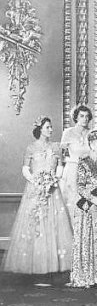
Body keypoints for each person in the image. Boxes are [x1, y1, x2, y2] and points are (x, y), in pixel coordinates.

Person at [2, 117, 73, 279]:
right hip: (35, 189)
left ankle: (54, 264)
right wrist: (36, 181)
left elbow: (61, 166)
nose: (51, 129)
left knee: (53, 223)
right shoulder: (31, 148)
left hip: (53, 189)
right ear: (40, 129)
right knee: (36, 222)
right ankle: (36, 262)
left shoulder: (55, 146)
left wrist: (55, 178)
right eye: (48, 127)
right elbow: (25, 169)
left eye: (51, 127)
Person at [69, 126, 97, 288]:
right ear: (92, 145)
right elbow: (80, 187)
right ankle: (87, 275)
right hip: (89, 208)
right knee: (89, 242)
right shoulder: (84, 163)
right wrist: (95, 201)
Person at [60, 105, 92, 226]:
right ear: (76, 117)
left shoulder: (92, 133)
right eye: (82, 116)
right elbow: (62, 155)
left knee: (86, 200)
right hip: (72, 169)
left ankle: (84, 232)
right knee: (72, 200)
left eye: (87, 116)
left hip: (88, 170)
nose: (85, 119)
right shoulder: (68, 133)